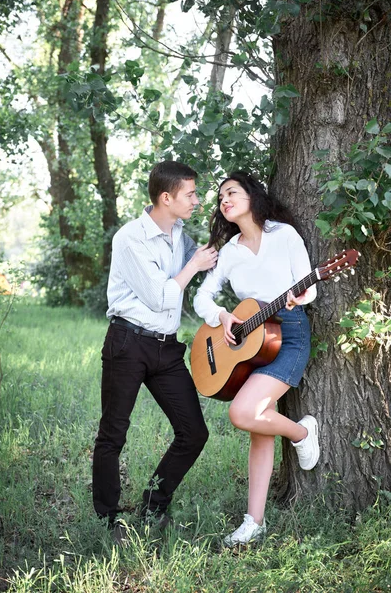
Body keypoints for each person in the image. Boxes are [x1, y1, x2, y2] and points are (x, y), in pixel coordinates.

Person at [193, 171, 320, 547]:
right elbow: (203, 297)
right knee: (257, 426)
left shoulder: (284, 235)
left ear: (251, 196)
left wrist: (299, 298)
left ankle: (302, 432)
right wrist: (221, 316)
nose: (224, 201)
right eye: (220, 198)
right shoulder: (229, 251)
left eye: (231, 192)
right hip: (250, 341)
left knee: (243, 413)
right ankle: (255, 521)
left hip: (290, 334)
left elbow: (309, 286)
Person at [92, 160, 218, 537]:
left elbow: (211, 263)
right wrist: (194, 264)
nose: (197, 200)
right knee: (113, 433)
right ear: (167, 197)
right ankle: (109, 518)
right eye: (191, 194)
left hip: (166, 349)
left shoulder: (180, 234)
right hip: (128, 343)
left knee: (194, 432)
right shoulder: (130, 238)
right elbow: (162, 296)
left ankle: (153, 504)